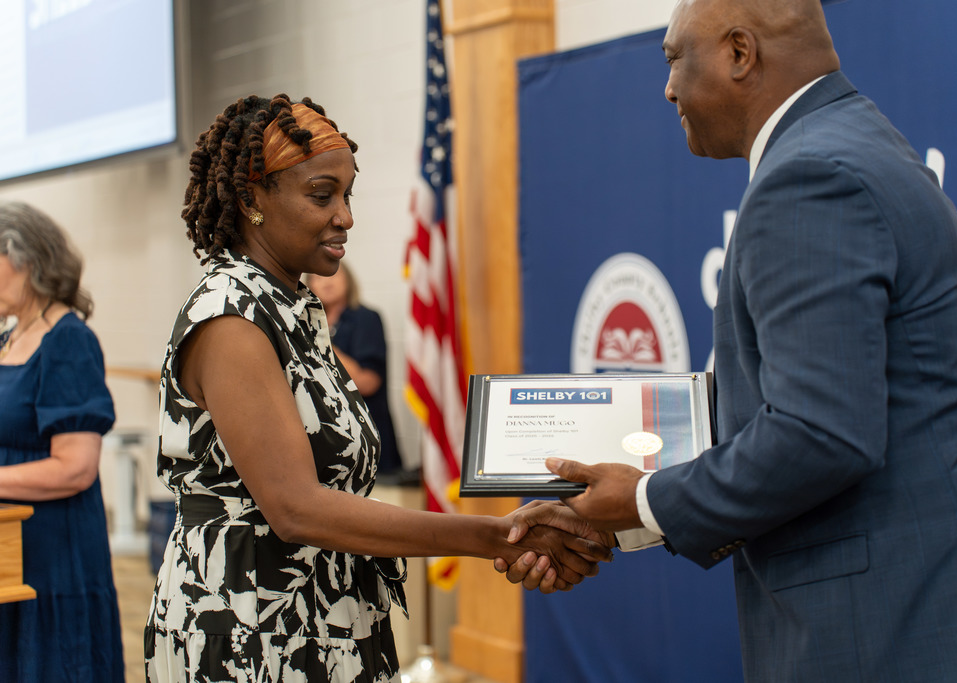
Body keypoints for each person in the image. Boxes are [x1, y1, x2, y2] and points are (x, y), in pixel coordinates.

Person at [502, 0, 957, 680]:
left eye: (674, 59)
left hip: (906, 616)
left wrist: (643, 500)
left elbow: (821, 433)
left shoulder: (809, 177)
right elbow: (808, 403)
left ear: (739, 53)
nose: (668, 89)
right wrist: (615, 500)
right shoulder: (849, 142)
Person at [143, 94, 611, 683]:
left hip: (329, 613)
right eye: (322, 195)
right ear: (251, 199)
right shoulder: (231, 317)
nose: (345, 216)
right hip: (250, 627)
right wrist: (497, 536)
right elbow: (296, 509)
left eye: (347, 195)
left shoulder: (291, 309)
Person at [0, 202, 125, 682]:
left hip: (53, 556)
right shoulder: (10, 337)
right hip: (11, 552)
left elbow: (75, 467)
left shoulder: (68, 340)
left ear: (26, 260)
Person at [307, 262, 407, 480]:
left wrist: (322, 343)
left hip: (364, 437)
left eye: (333, 274)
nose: (326, 282)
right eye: (318, 277)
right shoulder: (306, 323)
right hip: (323, 444)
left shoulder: (365, 318)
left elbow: (367, 383)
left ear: (348, 280)